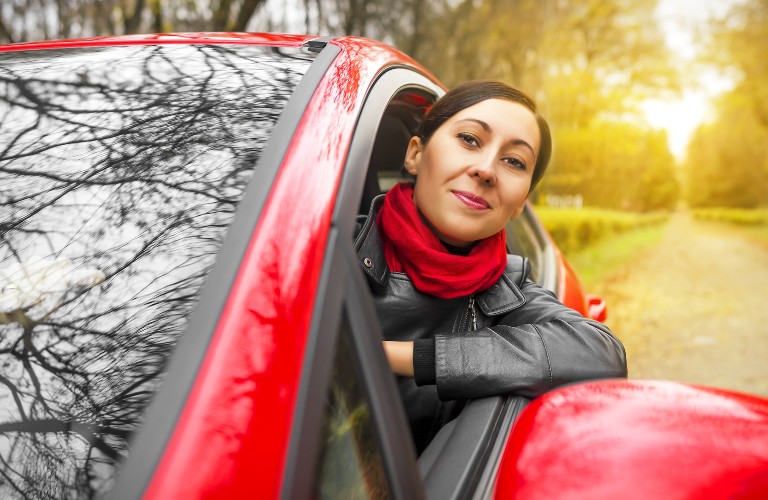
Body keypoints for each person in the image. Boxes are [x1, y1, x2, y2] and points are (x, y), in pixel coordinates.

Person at [354, 80, 627, 453]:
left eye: (514, 161)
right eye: (469, 139)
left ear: (519, 206)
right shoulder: (327, 250)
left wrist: (403, 357)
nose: (486, 169)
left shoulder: (508, 290)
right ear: (416, 154)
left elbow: (602, 352)